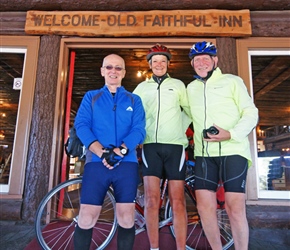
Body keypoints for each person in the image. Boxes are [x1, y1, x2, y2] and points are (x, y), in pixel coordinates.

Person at [186, 41, 259, 250]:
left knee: (234, 208)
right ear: (192, 64)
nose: (201, 63)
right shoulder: (191, 88)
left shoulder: (232, 81)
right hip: (205, 155)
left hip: (233, 151)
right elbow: (185, 116)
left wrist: (231, 134)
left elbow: (250, 112)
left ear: (215, 60)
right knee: (204, 207)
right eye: (196, 60)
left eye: (205, 58)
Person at [73, 54, 146, 250]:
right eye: (109, 67)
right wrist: (102, 152)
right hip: (97, 163)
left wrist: (120, 151)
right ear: (102, 71)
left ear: (124, 72)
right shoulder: (91, 97)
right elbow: (81, 125)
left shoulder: (134, 99)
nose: (113, 71)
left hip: (127, 163)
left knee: (127, 216)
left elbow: (139, 130)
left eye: (118, 68)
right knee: (87, 216)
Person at [133, 44, 191, 250]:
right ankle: (154, 247)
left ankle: (181, 247)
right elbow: (134, 114)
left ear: (168, 64)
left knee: (178, 201)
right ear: (150, 64)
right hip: (150, 147)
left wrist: (179, 129)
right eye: (155, 61)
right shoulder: (142, 88)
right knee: (151, 200)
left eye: (163, 61)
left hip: (175, 147)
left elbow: (189, 110)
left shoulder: (177, 85)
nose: (159, 64)